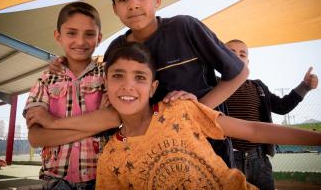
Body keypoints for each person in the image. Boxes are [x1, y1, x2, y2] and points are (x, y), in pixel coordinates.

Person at [50, 0, 249, 168]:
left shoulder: (185, 27)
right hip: (150, 158)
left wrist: (199, 109)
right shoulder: (115, 50)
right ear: (115, 9)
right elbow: (96, 83)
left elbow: (239, 72)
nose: (133, 4)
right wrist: (64, 63)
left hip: (207, 152)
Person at [79, 41, 319, 190]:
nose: (128, 86)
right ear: (106, 84)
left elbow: (253, 129)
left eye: (140, 77)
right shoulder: (110, 158)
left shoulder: (180, 109)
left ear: (153, 87)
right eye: (118, 76)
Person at [24, 2, 121, 190]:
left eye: (89, 34)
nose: (80, 41)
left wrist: (52, 123)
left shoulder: (107, 74)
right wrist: (96, 123)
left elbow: (113, 119)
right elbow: (36, 137)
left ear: (99, 38)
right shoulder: (45, 80)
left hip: (101, 176)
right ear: (57, 36)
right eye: (71, 33)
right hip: (55, 180)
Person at [224, 39, 319, 190]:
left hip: (259, 159)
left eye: (242, 54)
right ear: (219, 57)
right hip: (227, 161)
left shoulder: (258, 87)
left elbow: (282, 106)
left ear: (247, 62)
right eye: (230, 52)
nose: (237, 57)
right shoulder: (212, 85)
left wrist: (304, 87)